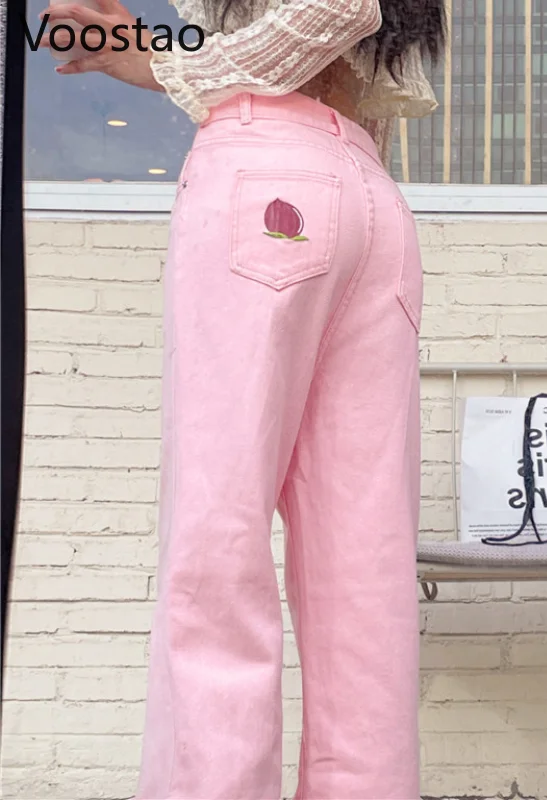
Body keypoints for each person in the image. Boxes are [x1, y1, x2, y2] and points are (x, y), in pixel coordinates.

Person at [40, 0, 446, 796]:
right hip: (367, 191)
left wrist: (160, 64)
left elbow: (341, 5)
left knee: (218, 540)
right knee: (363, 572)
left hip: (267, 177)